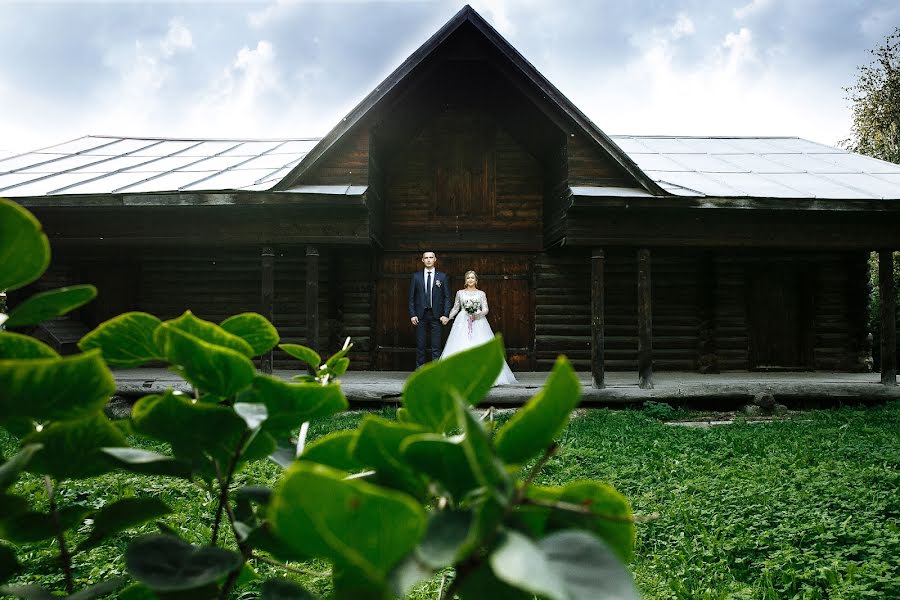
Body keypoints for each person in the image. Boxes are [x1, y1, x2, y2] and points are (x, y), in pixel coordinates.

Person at [442, 270, 517, 386]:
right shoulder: (460, 293)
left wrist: (477, 315)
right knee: (461, 345)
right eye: (468, 278)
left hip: (478, 321)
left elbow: (486, 309)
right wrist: (448, 317)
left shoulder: (481, 293)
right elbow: (456, 308)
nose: (470, 280)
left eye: (472, 278)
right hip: (462, 321)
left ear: (476, 280)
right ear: (465, 280)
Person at [408, 251, 451, 368]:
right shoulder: (416, 276)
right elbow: (411, 297)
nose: (428, 260)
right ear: (422, 260)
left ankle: (435, 371)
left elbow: (447, 297)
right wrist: (412, 314)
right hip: (420, 315)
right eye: (426, 258)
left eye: (431, 257)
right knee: (420, 345)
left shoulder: (442, 276)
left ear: (435, 259)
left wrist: (446, 314)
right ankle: (420, 370)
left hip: (436, 315)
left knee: (436, 346)